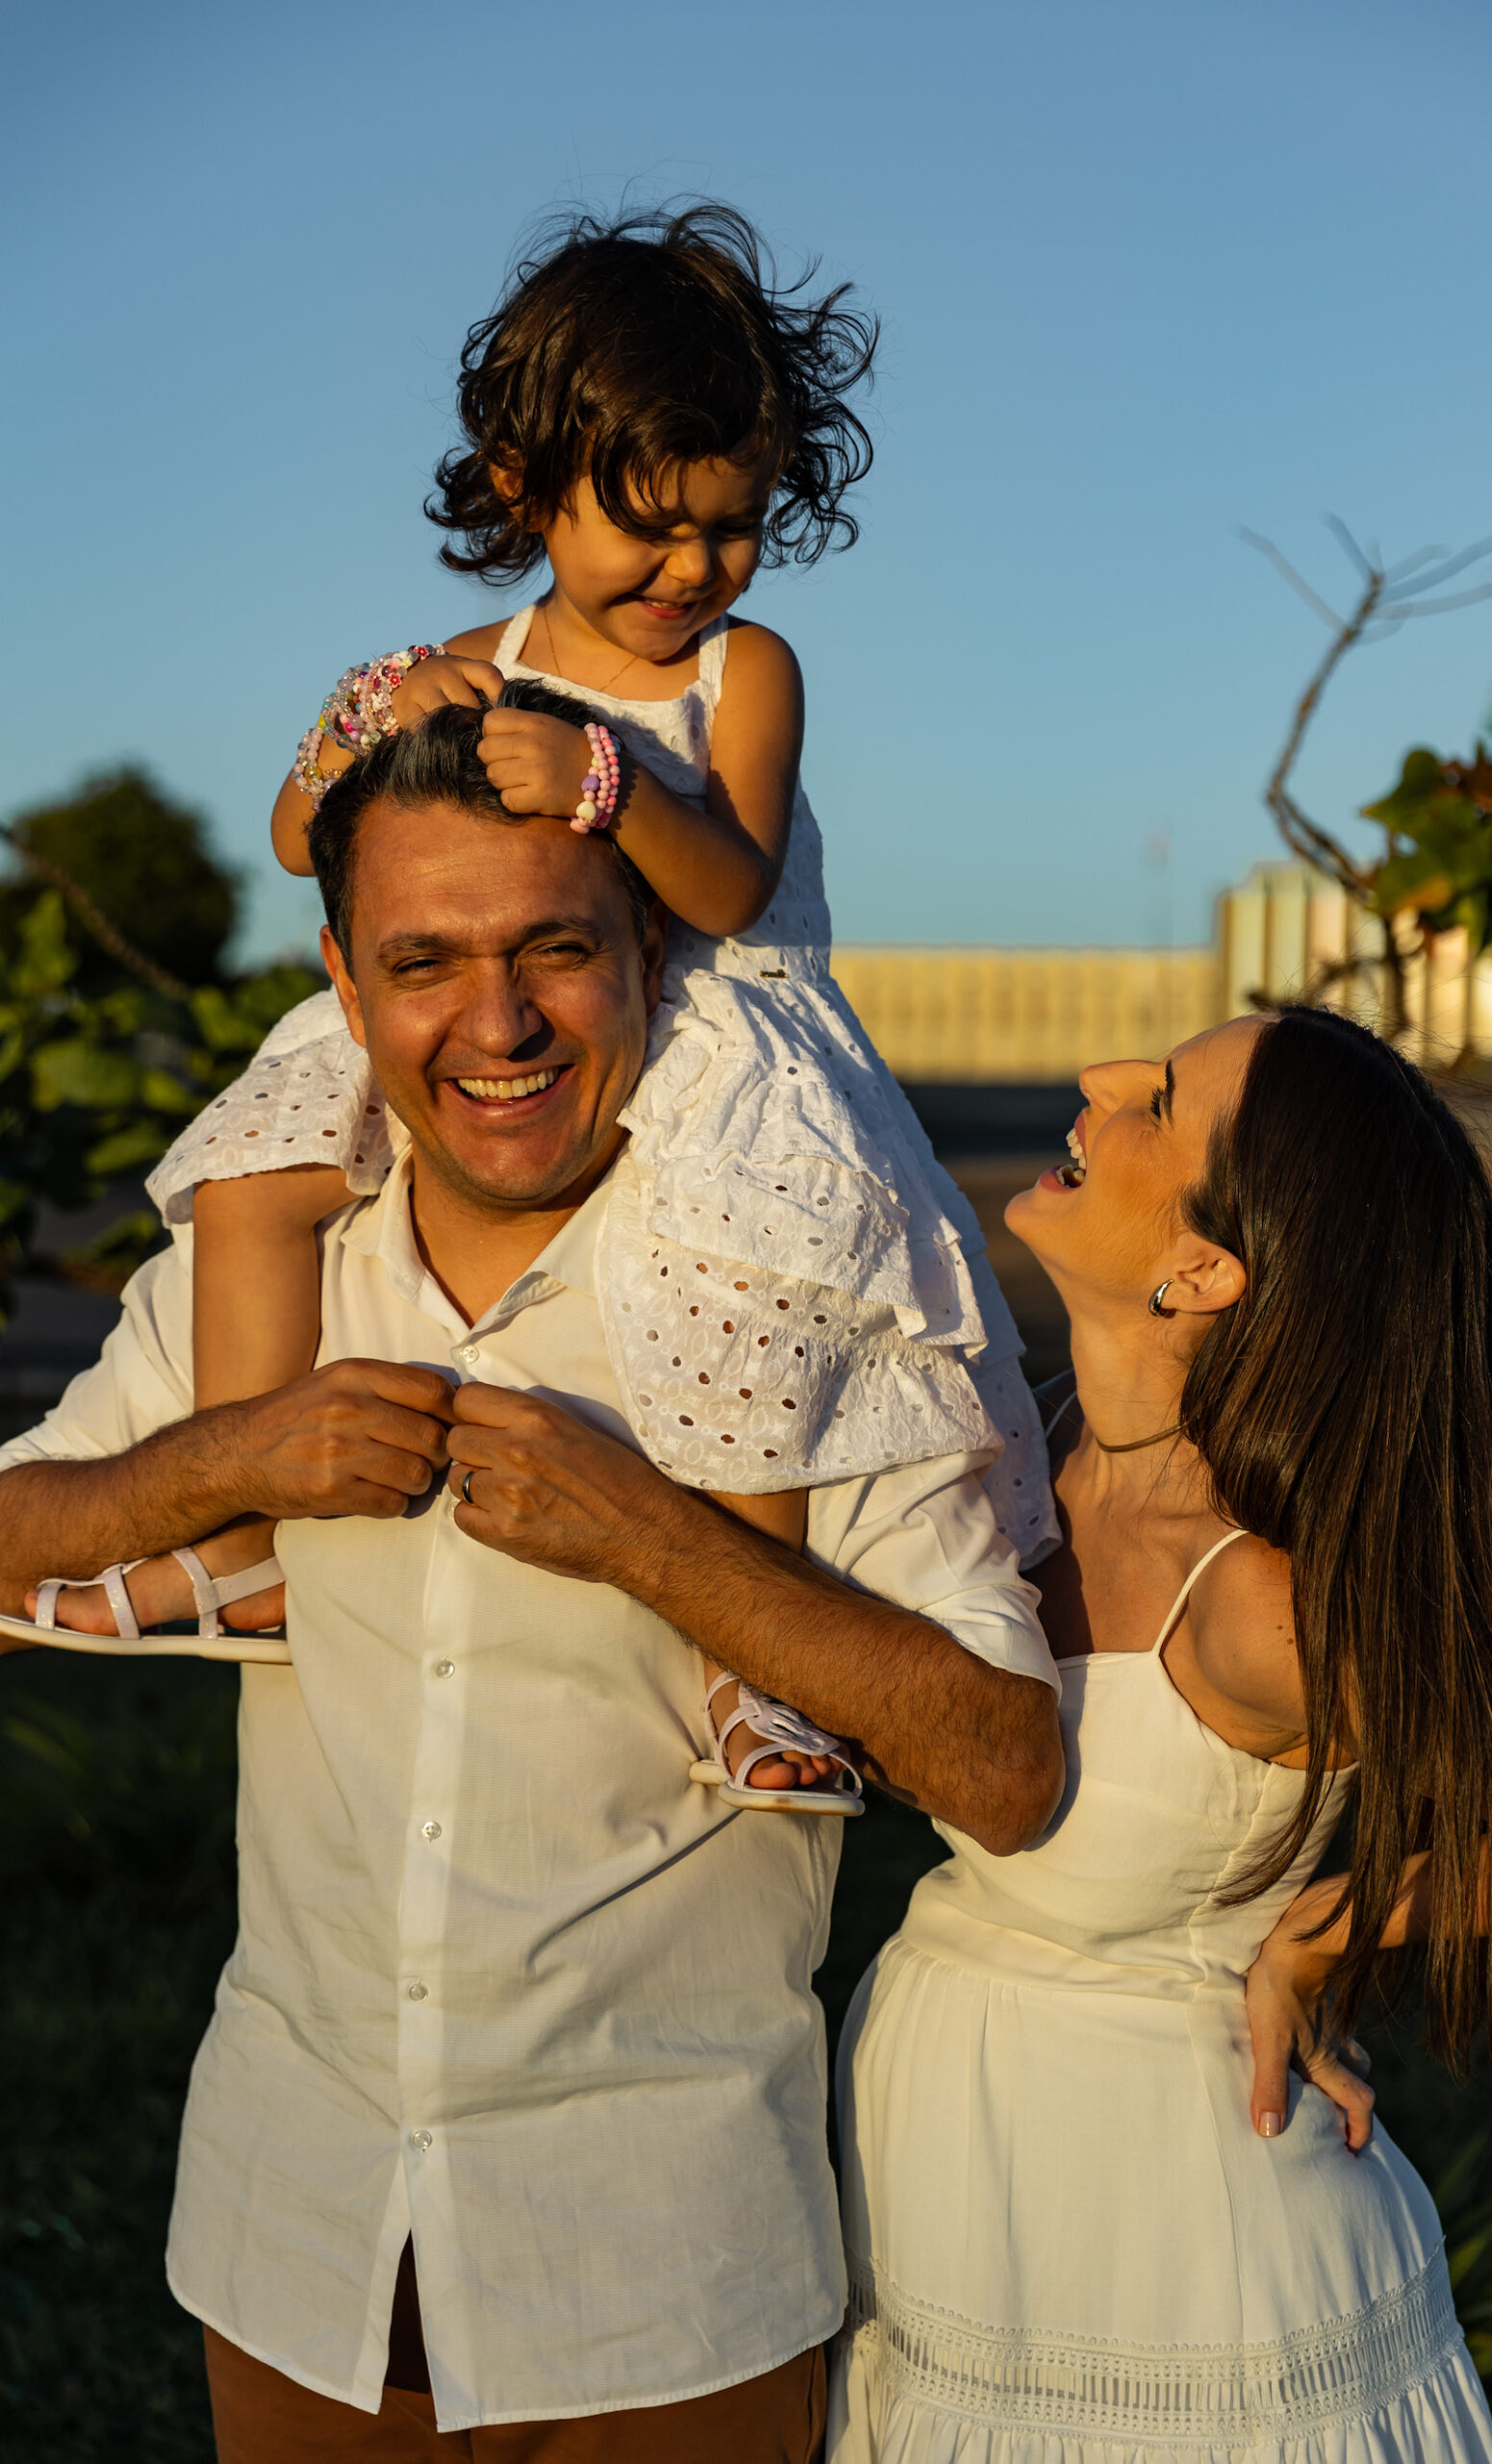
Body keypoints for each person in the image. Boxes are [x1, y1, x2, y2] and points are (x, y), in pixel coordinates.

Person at [0, 710, 1065, 2459]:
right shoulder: (255, 1282)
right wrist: (221, 1463)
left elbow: (1008, 1769)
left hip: (671, 2278)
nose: (493, 1026)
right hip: (293, 2239)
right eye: (423, 963)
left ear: (651, 948)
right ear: (344, 987)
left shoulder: (808, 1305)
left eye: (552, 949)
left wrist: (652, 1534)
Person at [46, 204, 1052, 1745]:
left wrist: (603, 788)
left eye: (732, 523)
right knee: (257, 1172)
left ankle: (757, 1672)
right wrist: (362, 716)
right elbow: (292, 830)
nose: (693, 565)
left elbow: (736, 883)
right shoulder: (472, 650)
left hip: (712, 1025)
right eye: (648, 523)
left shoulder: (745, 671)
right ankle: (237, 1536)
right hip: (515, 977)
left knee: (739, 1284)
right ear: (528, 489)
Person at [829, 1006, 1492, 2464]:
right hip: (958, 2203)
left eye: (1156, 1102)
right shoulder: (1032, 1446)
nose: (1094, 1082)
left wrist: (1340, 1926)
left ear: (1204, 1269)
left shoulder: (1270, 1598)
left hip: (1181, 2275)